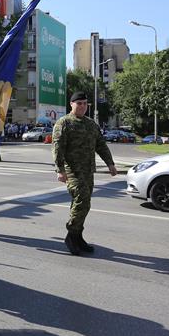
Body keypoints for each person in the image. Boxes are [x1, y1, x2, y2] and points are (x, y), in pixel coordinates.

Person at [52, 91, 117, 256]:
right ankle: (71, 235)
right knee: (81, 200)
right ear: (71, 105)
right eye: (78, 103)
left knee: (84, 204)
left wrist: (110, 164)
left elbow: (101, 145)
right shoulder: (64, 123)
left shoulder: (91, 124)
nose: (82, 106)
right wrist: (59, 170)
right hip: (72, 171)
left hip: (88, 171)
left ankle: (78, 236)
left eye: (84, 103)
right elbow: (58, 148)